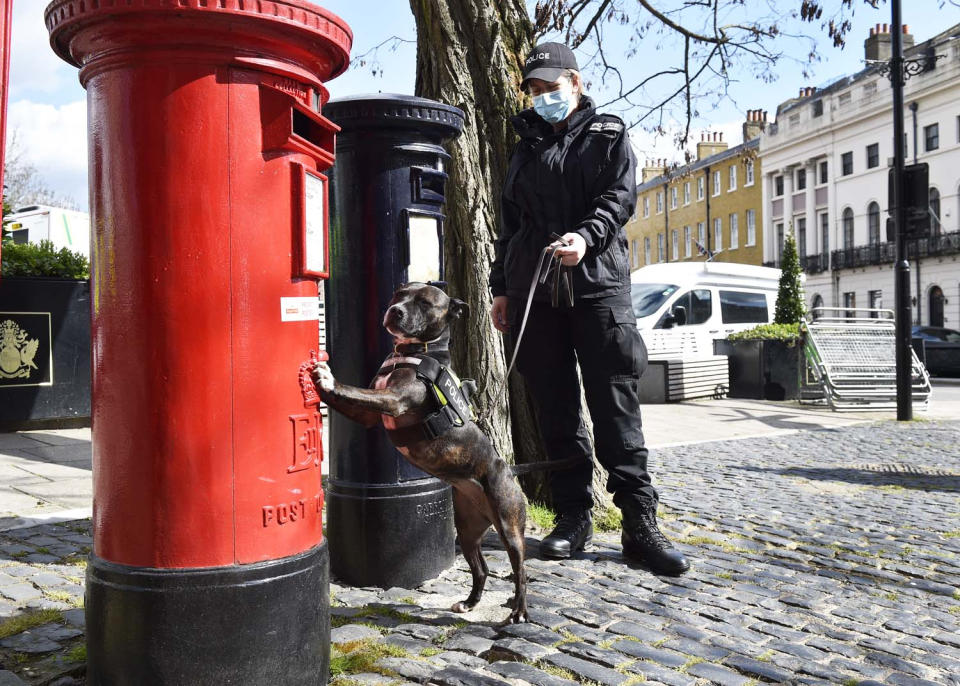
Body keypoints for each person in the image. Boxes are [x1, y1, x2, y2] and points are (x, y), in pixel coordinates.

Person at [488, 42, 689, 575]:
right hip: (537, 293)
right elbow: (510, 228)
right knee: (555, 408)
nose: (541, 97)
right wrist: (501, 287)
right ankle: (573, 518)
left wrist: (584, 237)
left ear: (575, 83)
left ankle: (639, 526)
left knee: (614, 407)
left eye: (550, 87)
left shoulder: (608, 134)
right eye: (533, 89)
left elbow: (618, 201)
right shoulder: (524, 147)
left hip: (597, 288)